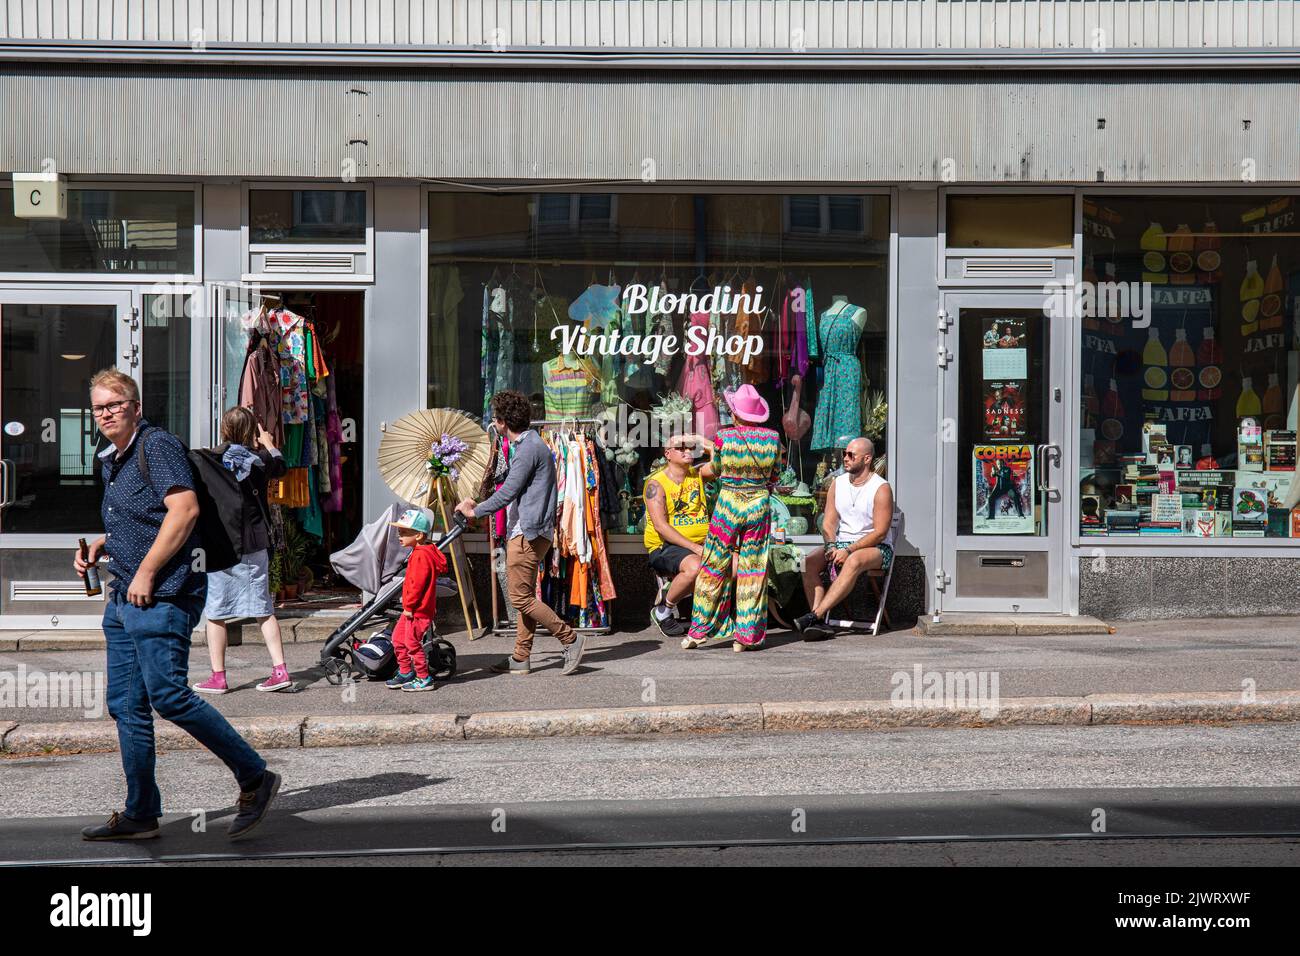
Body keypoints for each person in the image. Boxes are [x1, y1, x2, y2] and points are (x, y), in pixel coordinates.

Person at [74, 369, 280, 842]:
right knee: (126, 705)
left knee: (168, 695)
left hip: (163, 593)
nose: (105, 413)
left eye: (114, 404)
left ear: (136, 406)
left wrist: (146, 571)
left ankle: (255, 777)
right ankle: (141, 813)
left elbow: (184, 509)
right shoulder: (114, 459)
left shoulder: (157, 445)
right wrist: (103, 546)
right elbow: (144, 518)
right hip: (124, 595)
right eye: (98, 407)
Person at [456, 389, 587, 676]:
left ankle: (571, 639)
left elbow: (508, 492)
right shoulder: (532, 446)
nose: (493, 423)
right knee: (525, 594)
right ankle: (520, 656)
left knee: (519, 599)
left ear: (502, 422)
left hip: (526, 533)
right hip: (532, 530)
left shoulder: (528, 449)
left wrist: (474, 511)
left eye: (494, 419)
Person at [192, 407, 291, 695]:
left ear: (224, 428)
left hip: (222, 544)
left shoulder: (209, 460)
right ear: (251, 432)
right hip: (255, 542)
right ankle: (280, 670)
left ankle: (219, 677)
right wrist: (268, 441)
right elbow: (281, 465)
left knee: (216, 612)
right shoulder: (259, 461)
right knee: (263, 609)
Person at [682, 384, 783, 652]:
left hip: (728, 503)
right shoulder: (773, 439)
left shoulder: (724, 437)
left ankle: (699, 632)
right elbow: (776, 476)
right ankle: (746, 637)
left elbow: (715, 469)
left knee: (713, 563)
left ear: (735, 413)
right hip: (759, 503)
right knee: (754, 568)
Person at [795, 437, 895, 641]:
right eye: (844, 454)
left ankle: (815, 616)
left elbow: (880, 532)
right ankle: (819, 623)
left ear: (867, 459)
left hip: (876, 547)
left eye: (851, 455)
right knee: (808, 564)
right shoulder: (837, 483)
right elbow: (829, 522)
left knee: (853, 561)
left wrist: (849, 550)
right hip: (841, 544)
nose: (845, 458)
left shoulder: (881, 488)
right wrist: (831, 545)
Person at [643, 434, 713, 638]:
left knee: (736, 565)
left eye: (690, 447)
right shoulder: (656, 483)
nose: (687, 451)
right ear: (668, 455)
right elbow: (661, 526)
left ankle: (713, 613)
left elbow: (722, 459)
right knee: (696, 566)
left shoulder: (697, 474)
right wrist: (695, 547)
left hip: (701, 542)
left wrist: (699, 439)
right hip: (665, 546)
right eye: (680, 448)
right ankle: (663, 610)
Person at [383, 508, 449, 692]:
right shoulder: (421, 551)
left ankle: (423, 677)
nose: (399, 536)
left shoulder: (420, 555)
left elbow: (416, 584)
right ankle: (405, 671)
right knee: (397, 638)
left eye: (404, 532)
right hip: (412, 609)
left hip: (416, 610)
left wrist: (409, 606)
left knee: (411, 643)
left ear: (419, 535)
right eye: (399, 532)